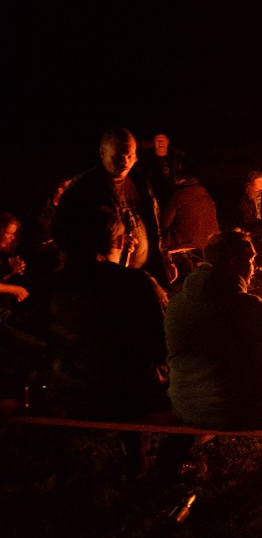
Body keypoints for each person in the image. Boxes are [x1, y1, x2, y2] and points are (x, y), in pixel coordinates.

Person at [163, 230, 262, 491]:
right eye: (250, 259)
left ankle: (167, 465)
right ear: (234, 263)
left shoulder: (178, 303)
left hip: (186, 405)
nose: (254, 266)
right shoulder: (249, 307)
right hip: (237, 410)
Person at [45, 205, 169, 482]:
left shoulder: (56, 286)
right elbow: (165, 342)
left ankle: (67, 472)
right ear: (116, 241)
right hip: (129, 398)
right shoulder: (137, 284)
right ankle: (145, 461)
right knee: (140, 366)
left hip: (71, 393)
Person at [53, 128, 171, 290]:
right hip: (106, 284)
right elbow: (65, 238)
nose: (124, 161)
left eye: (129, 156)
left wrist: (165, 260)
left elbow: (154, 226)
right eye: (118, 156)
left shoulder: (140, 183)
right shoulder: (83, 189)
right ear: (102, 153)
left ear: (135, 156)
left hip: (143, 274)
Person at [141, 132, 184, 209]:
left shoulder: (176, 159)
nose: (160, 142)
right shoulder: (146, 161)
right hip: (154, 201)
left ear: (168, 142)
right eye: (157, 140)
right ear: (153, 143)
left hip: (174, 198)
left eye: (163, 140)